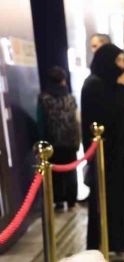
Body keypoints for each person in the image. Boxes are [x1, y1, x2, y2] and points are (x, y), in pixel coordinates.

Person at [82, 43, 124, 253]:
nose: (122, 65)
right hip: (105, 154)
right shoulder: (94, 84)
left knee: (123, 193)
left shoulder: (115, 82)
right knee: (108, 197)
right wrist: (120, 88)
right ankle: (108, 242)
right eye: (118, 60)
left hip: (122, 151)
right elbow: (109, 115)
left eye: (123, 61)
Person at [37, 66, 80, 211]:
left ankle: (59, 201)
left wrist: (42, 141)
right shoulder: (70, 98)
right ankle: (72, 201)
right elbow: (76, 120)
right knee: (71, 171)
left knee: (55, 173)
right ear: (63, 80)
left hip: (53, 141)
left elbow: (41, 121)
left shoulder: (44, 98)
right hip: (70, 141)